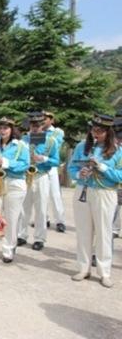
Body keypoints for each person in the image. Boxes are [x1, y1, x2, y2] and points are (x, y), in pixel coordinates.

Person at [68, 113, 122, 288]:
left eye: (100, 131)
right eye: (93, 129)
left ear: (108, 132)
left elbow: (119, 176)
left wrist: (102, 167)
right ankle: (83, 268)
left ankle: (104, 271)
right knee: (84, 231)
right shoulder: (82, 146)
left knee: (104, 232)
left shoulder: (117, 150)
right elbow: (71, 167)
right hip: (83, 190)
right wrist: (78, 173)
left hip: (104, 193)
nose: (95, 133)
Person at [0, 118, 30, 263]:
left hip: (14, 183)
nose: (2, 131)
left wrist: (6, 163)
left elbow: (25, 164)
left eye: (6, 128)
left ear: (11, 130)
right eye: (0, 128)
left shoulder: (20, 146)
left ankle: (8, 249)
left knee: (11, 218)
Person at [17, 111, 59, 251]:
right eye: (32, 125)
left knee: (41, 209)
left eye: (37, 125)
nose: (35, 128)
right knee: (23, 208)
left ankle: (39, 238)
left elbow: (56, 161)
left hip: (41, 175)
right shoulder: (24, 140)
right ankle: (21, 235)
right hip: (25, 175)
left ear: (42, 125)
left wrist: (43, 159)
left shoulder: (50, 140)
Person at [43, 111, 66, 232]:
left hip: (50, 165)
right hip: (39, 165)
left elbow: (55, 146)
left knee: (55, 194)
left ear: (51, 120)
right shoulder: (37, 132)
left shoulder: (58, 132)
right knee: (42, 194)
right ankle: (44, 219)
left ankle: (60, 221)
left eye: (45, 119)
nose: (43, 121)